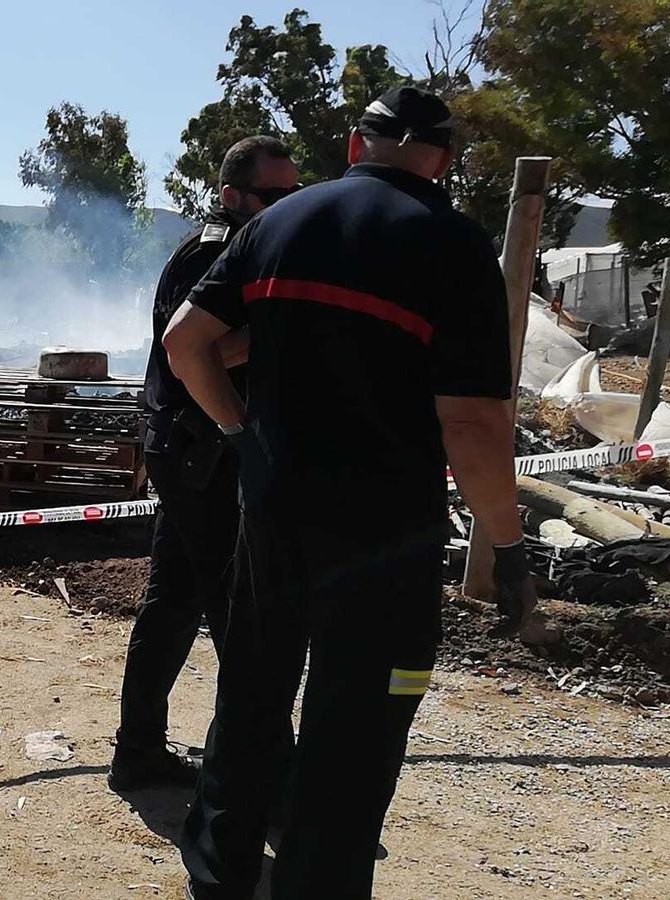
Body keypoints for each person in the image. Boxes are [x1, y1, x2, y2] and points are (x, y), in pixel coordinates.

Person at [162, 86, 537, 899]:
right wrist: (507, 544)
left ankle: (218, 878)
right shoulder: (454, 247)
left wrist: (239, 433)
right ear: (444, 157)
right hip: (384, 535)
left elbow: (185, 343)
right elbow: (472, 424)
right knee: (357, 729)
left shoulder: (278, 223)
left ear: (353, 143)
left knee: (253, 694)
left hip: (271, 511)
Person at [109, 136, 300, 792]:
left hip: (199, 451)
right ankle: (262, 777)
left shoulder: (241, 248)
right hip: (204, 453)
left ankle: (138, 753)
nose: (286, 207)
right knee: (244, 614)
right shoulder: (214, 254)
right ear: (231, 195)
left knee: (173, 604)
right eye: (274, 196)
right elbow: (195, 350)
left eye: (293, 195)